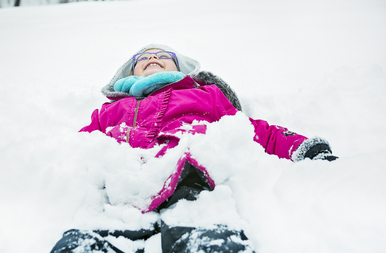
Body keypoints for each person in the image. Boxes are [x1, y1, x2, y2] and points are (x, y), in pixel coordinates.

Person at [50, 44, 337, 253]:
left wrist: (303, 147)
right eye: (144, 58)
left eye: (163, 56)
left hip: (192, 184)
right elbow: (80, 147)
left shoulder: (204, 95)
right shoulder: (111, 110)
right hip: (120, 194)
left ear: (179, 69)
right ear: (130, 72)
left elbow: (251, 130)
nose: (153, 58)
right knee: (81, 245)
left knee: (212, 242)